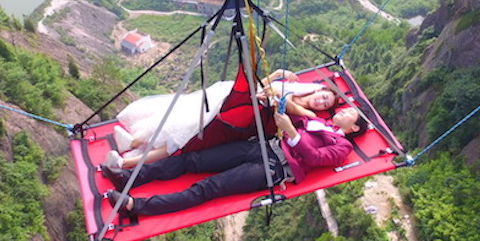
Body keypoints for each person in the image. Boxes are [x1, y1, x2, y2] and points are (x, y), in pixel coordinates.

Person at [102, 107, 369, 217]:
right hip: (262, 147)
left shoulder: (342, 146)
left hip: (271, 168)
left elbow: (315, 157)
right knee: (193, 160)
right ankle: (131, 177)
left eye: (349, 113)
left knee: (207, 188)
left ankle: (138, 206)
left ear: (354, 128)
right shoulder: (317, 120)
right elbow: (292, 109)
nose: (343, 110)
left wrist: (293, 132)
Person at [113, 69, 339, 167]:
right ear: (317, 90)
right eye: (323, 96)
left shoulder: (307, 112)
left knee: (188, 135)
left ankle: (128, 160)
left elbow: (283, 103)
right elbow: (263, 85)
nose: (321, 102)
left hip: (244, 116)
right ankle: (135, 141)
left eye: (326, 104)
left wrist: (277, 92)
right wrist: (278, 75)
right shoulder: (296, 88)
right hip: (238, 99)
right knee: (187, 113)